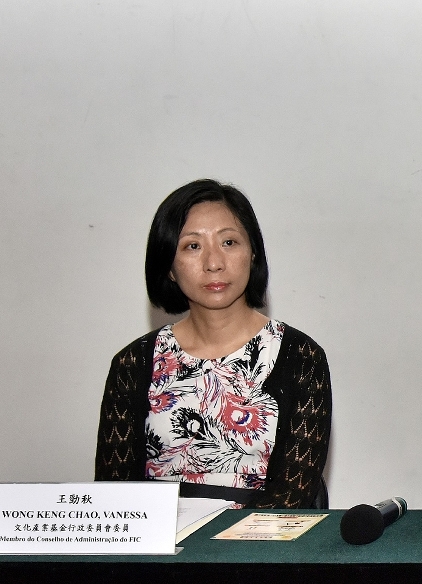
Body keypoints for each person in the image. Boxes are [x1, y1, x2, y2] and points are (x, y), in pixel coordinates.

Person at [95, 179, 332, 508]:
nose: (213, 263)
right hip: (160, 540)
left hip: (260, 539)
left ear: (253, 253)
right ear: (169, 268)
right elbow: (113, 501)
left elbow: (291, 499)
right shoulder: (133, 363)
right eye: (192, 246)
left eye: (229, 242)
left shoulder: (301, 357)